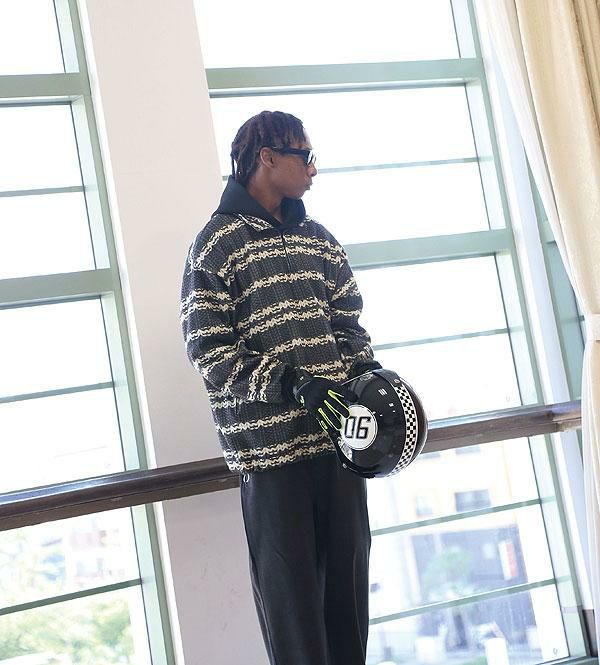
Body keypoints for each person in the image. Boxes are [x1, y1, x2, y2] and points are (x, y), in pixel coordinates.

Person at [180, 110, 381, 665]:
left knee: (348, 619)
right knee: (296, 630)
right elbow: (210, 353)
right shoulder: (215, 246)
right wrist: (293, 385)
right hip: (272, 465)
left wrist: (366, 384)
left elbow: (349, 329)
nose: (313, 169)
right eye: (305, 157)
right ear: (267, 158)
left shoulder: (320, 241)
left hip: (340, 453)